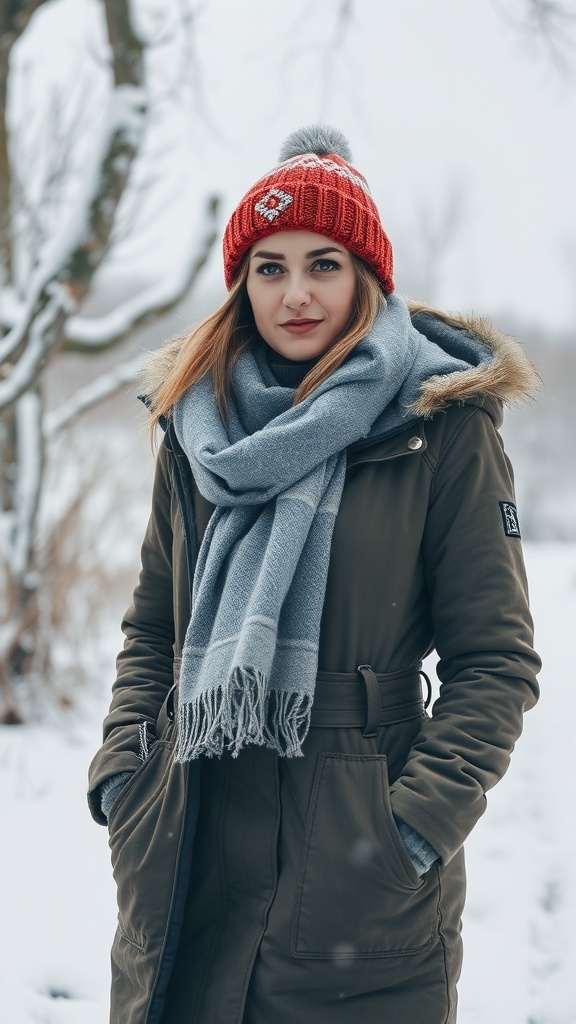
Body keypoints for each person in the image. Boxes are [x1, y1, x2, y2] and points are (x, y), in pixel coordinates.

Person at [88, 125, 541, 1024]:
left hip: (352, 871)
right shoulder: (197, 426)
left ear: (367, 276)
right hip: (186, 836)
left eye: (323, 264)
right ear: (242, 283)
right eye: (270, 267)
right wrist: (124, 774)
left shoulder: (440, 427)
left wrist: (410, 830)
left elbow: (496, 663)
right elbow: (154, 627)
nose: (295, 293)